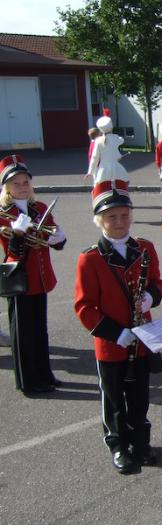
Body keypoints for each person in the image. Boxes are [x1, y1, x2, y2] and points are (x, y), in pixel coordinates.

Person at [74, 180, 162, 474]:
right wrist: (116, 333)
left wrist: (151, 297)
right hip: (111, 343)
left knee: (140, 396)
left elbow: (157, 283)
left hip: (142, 338)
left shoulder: (145, 248)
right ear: (100, 220)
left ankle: (141, 442)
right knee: (113, 398)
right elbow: (85, 307)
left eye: (125, 215)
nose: (120, 222)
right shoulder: (90, 259)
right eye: (111, 217)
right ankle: (118, 446)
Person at [0, 155, 66, 395]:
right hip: (19, 280)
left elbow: (52, 240)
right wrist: (17, 234)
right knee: (23, 334)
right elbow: (13, 253)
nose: (22, 187)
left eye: (25, 182)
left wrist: (59, 238)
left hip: (40, 278)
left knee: (40, 330)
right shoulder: (3, 214)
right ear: (6, 187)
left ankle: (44, 374)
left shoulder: (39, 208)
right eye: (15, 183)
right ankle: (28, 382)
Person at [87, 109, 129, 186]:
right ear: (111, 127)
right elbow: (122, 140)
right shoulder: (115, 138)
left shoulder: (98, 141)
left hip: (103, 169)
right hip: (116, 168)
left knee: (99, 186)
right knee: (124, 182)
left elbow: (94, 157)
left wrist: (90, 172)